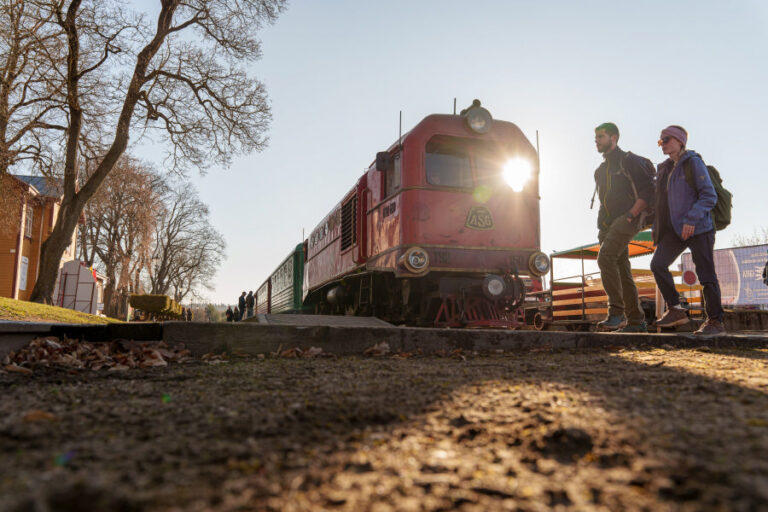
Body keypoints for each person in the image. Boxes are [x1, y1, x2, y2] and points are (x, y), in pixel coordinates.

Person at [650, 125, 724, 335]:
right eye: (660, 141)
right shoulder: (664, 169)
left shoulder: (693, 162)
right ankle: (675, 309)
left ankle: (715, 322)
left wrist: (692, 218)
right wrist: (657, 227)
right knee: (658, 264)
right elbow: (661, 204)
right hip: (675, 229)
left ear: (680, 141)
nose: (662, 144)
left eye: (666, 140)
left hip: (699, 227)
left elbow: (709, 196)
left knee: (705, 274)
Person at [592, 122, 655, 332]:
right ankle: (636, 321)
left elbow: (648, 191)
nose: (597, 141)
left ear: (614, 138)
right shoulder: (600, 170)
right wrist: (602, 226)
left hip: (628, 219)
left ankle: (616, 313)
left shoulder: (628, 161)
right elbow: (603, 201)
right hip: (607, 226)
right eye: (596, 137)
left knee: (605, 258)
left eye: (601, 136)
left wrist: (631, 215)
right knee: (622, 271)